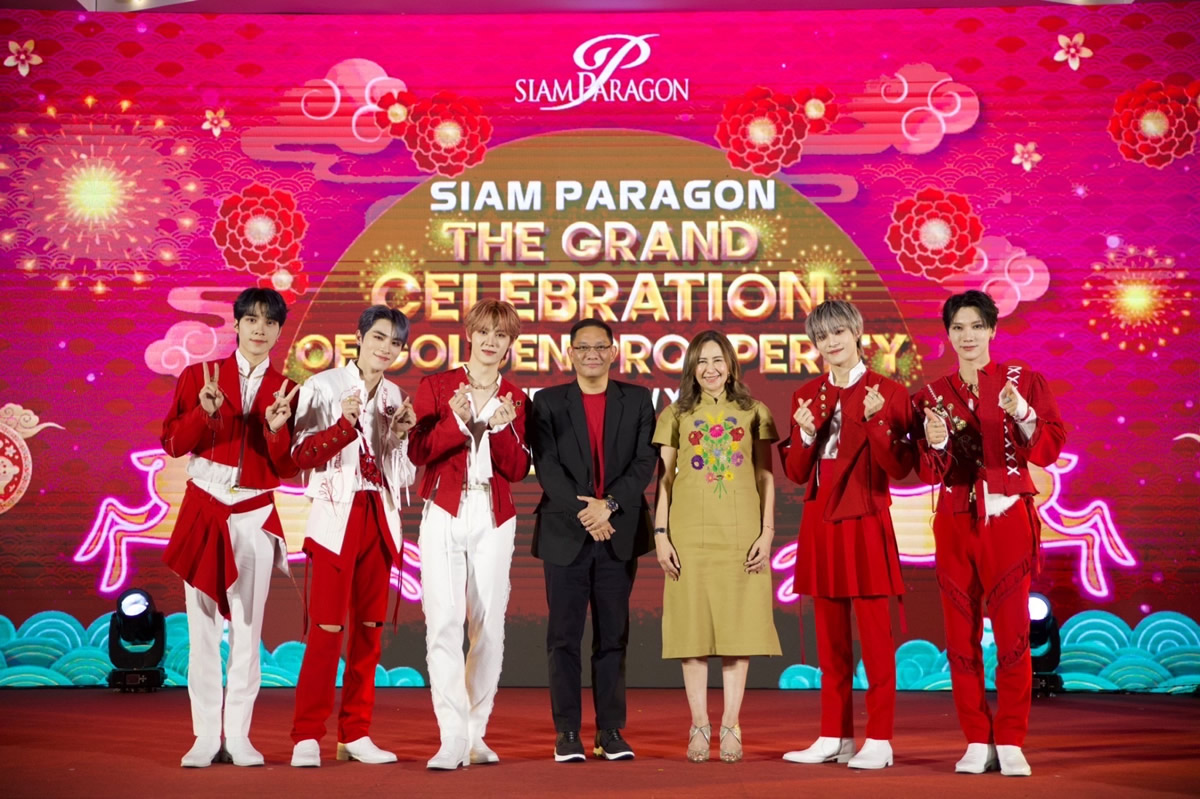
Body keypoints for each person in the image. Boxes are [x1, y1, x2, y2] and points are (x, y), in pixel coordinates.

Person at [913, 290, 1066, 777]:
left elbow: (1049, 449)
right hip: (956, 520)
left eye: (977, 326)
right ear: (947, 334)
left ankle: (1013, 739)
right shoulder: (931, 397)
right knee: (961, 637)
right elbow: (924, 470)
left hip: (1008, 519)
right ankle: (977, 739)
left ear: (993, 330)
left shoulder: (1024, 381)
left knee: (1014, 635)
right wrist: (935, 442)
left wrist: (1021, 413)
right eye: (958, 327)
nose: (968, 336)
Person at [162, 287, 299, 768]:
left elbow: (287, 466)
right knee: (201, 629)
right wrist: (203, 411)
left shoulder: (288, 389)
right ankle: (204, 736)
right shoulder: (200, 376)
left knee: (248, 627)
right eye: (252, 320)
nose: (260, 329)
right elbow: (173, 444)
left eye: (270, 322)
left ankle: (238, 735)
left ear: (279, 332)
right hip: (205, 507)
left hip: (255, 513)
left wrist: (277, 429)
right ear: (236, 324)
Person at [777, 300, 914, 770]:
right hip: (820, 522)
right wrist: (804, 435)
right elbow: (797, 473)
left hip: (866, 517)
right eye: (822, 336)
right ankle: (833, 735)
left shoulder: (889, 392)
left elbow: (900, 466)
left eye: (838, 332)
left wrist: (877, 421)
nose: (831, 342)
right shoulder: (805, 395)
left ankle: (880, 738)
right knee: (829, 641)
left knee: (875, 639)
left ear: (857, 333)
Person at [288, 305, 417, 768]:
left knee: (369, 632)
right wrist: (343, 425)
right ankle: (307, 734)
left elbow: (401, 475)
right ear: (359, 337)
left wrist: (401, 438)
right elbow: (299, 455)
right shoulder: (322, 386)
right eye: (378, 337)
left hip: (378, 515)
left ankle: (356, 732)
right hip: (336, 517)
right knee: (326, 629)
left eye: (395, 343)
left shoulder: (395, 395)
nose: (386, 348)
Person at [407, 299, 531, 770]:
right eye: (483, 332)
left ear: (510, 343)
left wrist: (501, 429)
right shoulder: (437, 387)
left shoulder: (516, 397)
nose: (490, 342)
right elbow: (418, 451)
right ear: (469, 335)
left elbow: (517, 469)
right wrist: (456, 422)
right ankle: (451, 736)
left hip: (493, 514)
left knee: (489, 626)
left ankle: (476, 733)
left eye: (500, 335)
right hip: (443, 508)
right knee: (443, 622)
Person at [530, 319, 658, 763]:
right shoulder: (547, 402)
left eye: (600, 347)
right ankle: (567, 731)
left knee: (613, 636)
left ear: (613, 352)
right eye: (582, 347)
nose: (591, 354)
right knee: (563, 638)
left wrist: (611, 507)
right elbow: (547, 465)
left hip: (617, 533)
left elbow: (644, 462)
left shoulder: (638, 399)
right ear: (570, 353)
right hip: (566, 533)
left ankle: (610, 730)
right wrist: (589, 512)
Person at [652, 329, 781, 763]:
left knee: (736, 632)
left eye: (717, 360)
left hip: (741, 533)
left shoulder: (754, 412)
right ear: (691, 368)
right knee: (691, 634)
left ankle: (730, 724)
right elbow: (664, 480)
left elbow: (765, 475)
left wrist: (766, 532)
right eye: (701, 361)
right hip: (688, 535)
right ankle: (698, 725)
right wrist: (660, 535)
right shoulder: (675, 414)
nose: (710, 369)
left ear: (731, 366)